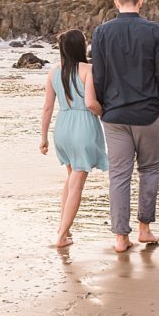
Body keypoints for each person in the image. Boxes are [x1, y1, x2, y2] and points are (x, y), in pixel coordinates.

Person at [91, 0, 159, 253]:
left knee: (119, 175)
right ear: (140, 2)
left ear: (117, 2)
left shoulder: (101, 32)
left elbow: (99, 75)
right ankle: (144, 230)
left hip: (115, 114)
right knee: (149, 169)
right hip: (149, 113)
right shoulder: (155, 31)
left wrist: (105, 106)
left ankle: (120, 238)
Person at [39, 29, 109, 248]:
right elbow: (90, 103)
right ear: (81, 46)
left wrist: (43, 137)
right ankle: (60, 236)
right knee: (77, 185)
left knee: (70, 181)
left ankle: (64, 231)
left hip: (62, 128)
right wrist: (104, 112)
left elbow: (47, 107)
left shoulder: (53, 72)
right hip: (83, 127)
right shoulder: (89, 69)